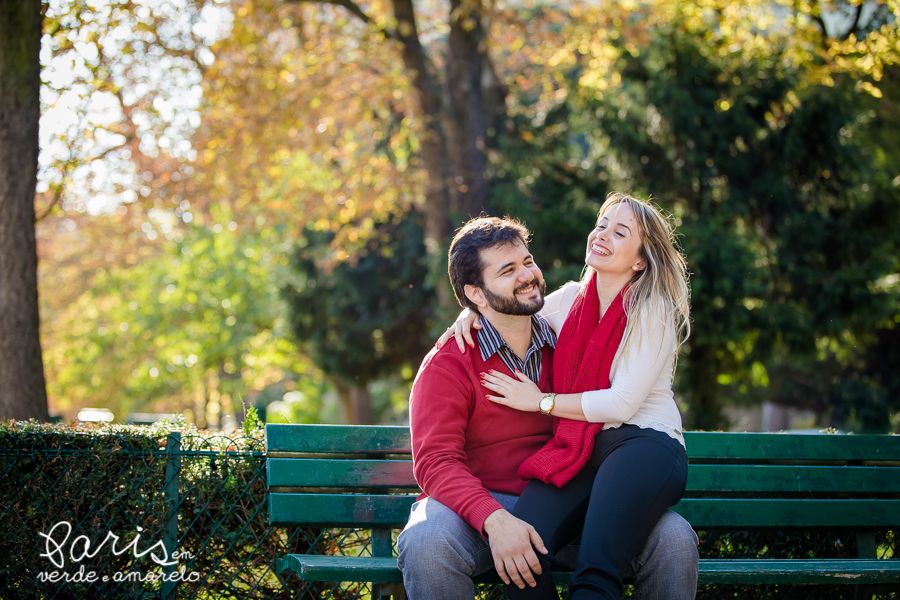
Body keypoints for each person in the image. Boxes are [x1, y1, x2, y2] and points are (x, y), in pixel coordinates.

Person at [397, 214, 698, 600]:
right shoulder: (450, 361)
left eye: (527, 261)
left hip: (571, 492)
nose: (527, 276)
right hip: (480, 503)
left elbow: (621, 402)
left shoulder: (567, 335)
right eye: (508, 270)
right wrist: (494, 519)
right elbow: (436, 462)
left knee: (674, 537)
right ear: (476, 293)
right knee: (427, 541)